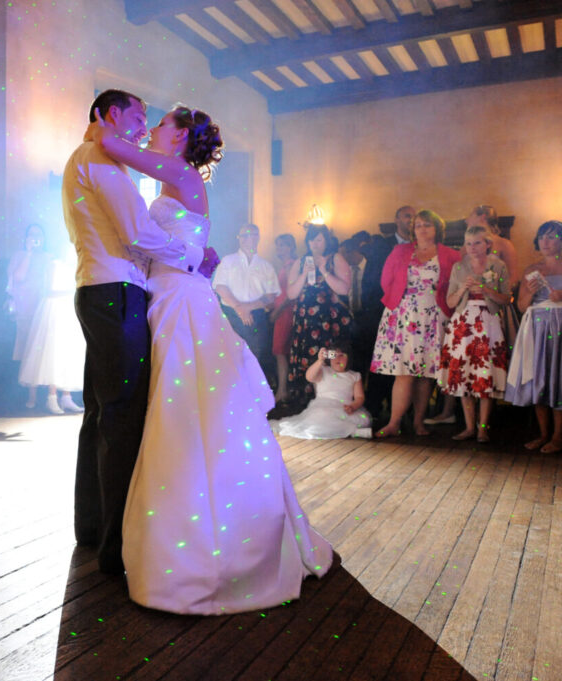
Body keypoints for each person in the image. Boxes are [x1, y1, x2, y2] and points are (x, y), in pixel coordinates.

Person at [90, 101, 334, 615]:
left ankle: (198, 550)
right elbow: (182, 239)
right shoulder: (176, 181)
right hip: (174, 296)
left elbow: (111, 144)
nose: (152, 128)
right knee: (186, 411)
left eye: (160, 123)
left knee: (183, 415)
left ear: (179, 138)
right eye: (150, 122)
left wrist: (116, 126)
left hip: (180, 303)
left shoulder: (176, 170)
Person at [62, 89, 211, 577]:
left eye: (155, 121)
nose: (144, 127)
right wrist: (190, 255)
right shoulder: (101, 157)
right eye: (137, 116)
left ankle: (92, 525)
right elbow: (136, 233)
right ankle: (116, 544)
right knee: (122, 417)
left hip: (107, 291)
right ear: (108, 115)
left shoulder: (100, 157)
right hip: (117, 294)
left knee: (101, 413)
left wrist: (191, 252)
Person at [505, 220, 562, 453]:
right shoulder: (530, 270)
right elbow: (523, 306)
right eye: (543, 236)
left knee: (561, 377)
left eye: (552, 237)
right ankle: (543, 434)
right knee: (539, 377)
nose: (546, 241)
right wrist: (531, 292)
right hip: (537, 326)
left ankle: (558, 436)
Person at [371, 209, 460, 438]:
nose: (422, 229)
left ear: (437, 229)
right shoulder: (400, 251)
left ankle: (419, 422)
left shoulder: (451, 255)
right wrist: (400, 304)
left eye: (427, 225)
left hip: (434, 315)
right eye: (418, 225)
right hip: (403, 316)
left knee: (426, 373)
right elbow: (386, 280)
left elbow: (455, 284)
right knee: (403, 372)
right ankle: (394, 422)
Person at [436, 225, 511, 443]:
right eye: (468, 243)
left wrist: (486, 290)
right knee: (464, 374)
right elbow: (450, 301)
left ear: (487, 244)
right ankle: (469, 427)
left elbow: (507, 299)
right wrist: (462, 289)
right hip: (463, 323)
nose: (472, 248)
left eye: (477, 242)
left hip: (488, 322)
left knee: (484, 374)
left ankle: (483, 429)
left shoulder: (498, 266)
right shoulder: (459, 267)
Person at [281, 224, 353, 415]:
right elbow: (291, 294)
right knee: (306, 357)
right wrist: (305, 273)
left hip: (329, 320)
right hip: (306, 320)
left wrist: (324, 270)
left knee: (328, 355)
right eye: (312, 239)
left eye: (319, 239)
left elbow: (344, 289)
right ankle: (305, 401)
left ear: (326, 241)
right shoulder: (300, 261)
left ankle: (330, 399)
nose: (315, 243)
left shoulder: (335, 258)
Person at [359, 206, 414, 421]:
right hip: (382, 310)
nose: (410, 220)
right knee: (381, 361)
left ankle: (400, 409)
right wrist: (375, 308)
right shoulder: (383, 244)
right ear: (397, 219)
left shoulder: (418, 247)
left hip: (410, 314)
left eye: (413, 217)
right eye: (407, 216)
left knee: (403, 361)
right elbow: (372, 278)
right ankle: (374, 406)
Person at [17, 242, 85, 414]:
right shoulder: (54, 264)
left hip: (69, 309)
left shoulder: (78, 265)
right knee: (53, 353)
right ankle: (51, 397)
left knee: (69, 353)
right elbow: (51, 288)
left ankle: (66, 397)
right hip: (54, 309)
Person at [212, 223, 280, 386]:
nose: (245, 239)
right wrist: (238, 307)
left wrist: (247, 308)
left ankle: (255, 398)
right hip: (230, 315)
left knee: (256, 357)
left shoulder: (266, 266)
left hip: (256, 317)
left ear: (257, 237)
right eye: (242, 236)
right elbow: (220, 286)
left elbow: (271, 295)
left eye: (249, 234)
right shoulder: (228, 261)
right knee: (229, 356)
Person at [275, 346, 372, 440]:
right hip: (323, 406)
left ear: (349, 358)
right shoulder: (324, 371)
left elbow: (359, 397)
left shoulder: (354, 376)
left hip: (344, 408)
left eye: (341, 355)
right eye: (334, 355)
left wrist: (353, 406)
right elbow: (309, 377)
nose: (337, 358)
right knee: (324, 417)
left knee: (365, 419)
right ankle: (353, 431)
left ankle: (345, 429)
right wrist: (320, 361)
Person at [8, 224, 54, 400]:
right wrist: (28, 253)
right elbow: (18, 277)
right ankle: (28, 394)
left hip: (44, 305)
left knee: (43, 347)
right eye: (32, 235)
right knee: (25, 348)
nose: (36, 238)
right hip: (25, 305)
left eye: (39, 235)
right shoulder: (19, 256)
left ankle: (45, 393)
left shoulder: (49, 257)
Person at [270, 233, 298, 402]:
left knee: (281, 351)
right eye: (277, 245)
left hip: (286, 312)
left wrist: (277, 311)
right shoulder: (283, 266)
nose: (279, 248)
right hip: (282, 311)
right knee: (280, 352)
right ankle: (283, 389)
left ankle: (282, 390)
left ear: (290, 247)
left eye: (282, 245)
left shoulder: (291, 265)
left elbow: (290, 295)